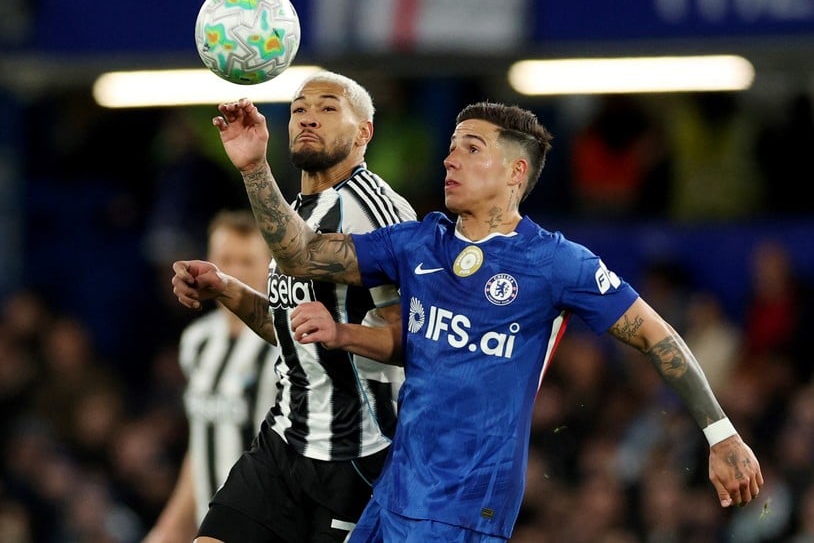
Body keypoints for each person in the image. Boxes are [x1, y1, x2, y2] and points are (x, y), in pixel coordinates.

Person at [176, 97, 763, 541]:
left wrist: (721, 433)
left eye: (471, 148)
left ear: (514, 173)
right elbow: (303, 253)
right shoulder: (419, 243)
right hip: (397, 486)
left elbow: (657, 336)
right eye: (452, 145)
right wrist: (255, 167)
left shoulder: (556, 263)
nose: (449, 158)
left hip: (467, 500)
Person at [169, 71, 417, 542]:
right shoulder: (298, 208)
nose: (308, 118)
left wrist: (253, 169)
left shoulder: (378, 211)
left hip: (355, 457)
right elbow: (287, 326)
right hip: (283, 441)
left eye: (327, 109)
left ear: (364, 132)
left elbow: (412, 338)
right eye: (300, 108)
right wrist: (225, 288)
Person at [144, 209, 277, 543]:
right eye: (225, 259)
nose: (233, 272)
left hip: (269, 525)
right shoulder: (197, 342)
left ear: (270, 268)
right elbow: (201, 446)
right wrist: (167, 531)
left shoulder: (284, 348)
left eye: (247, 261)